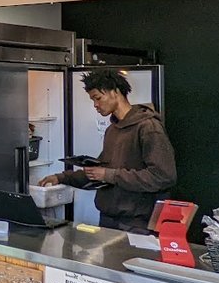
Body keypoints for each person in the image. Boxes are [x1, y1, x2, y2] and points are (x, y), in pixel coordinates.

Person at [39, 68, 176, 232]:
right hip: (108, 220)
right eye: (92, 100)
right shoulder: (112, 130)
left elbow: (163, 176)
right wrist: (61, 178)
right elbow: (99, 172)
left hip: (137, 224)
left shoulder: (148, 127)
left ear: (115, 92)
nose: (95, 105)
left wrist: (109, 175)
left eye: (98, 98)